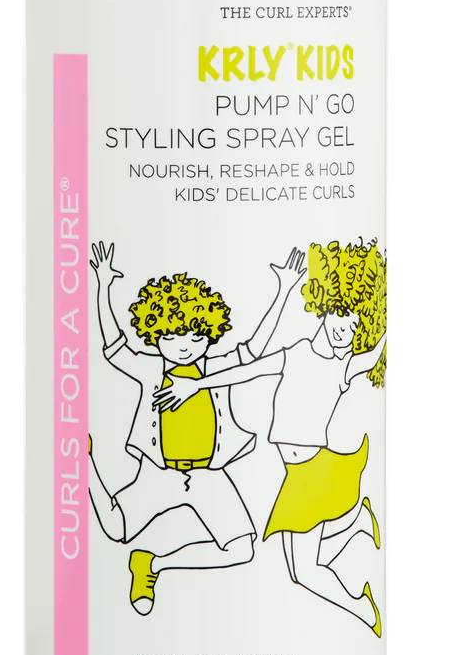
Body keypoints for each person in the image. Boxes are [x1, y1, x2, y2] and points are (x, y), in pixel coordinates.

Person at [154, 238, 386, 635]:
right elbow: (246, 370)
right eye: (340, 317)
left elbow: (372, 354)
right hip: (299, 473)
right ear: (324, 308)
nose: (343, 331)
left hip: (315, 472)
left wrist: (382, 328)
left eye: (354, 327)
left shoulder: (344, 368)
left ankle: (366, 609)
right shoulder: (294, 352)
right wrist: (198, 385)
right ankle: (357, 523)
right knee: (302, 568)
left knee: (303, 571)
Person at [87, 241, 306, 614]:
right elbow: (115, 348)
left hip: (208, 476)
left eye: (195, 336)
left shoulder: (216, 368)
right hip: (159, 474)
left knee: (241, 550)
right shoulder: (151, 369)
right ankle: (83, 462)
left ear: (209, 334)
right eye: (172, 337)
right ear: (156, 336)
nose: (184, 346)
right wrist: (103, 286)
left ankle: (152, 564)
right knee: (115, 528)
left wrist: (284, 290)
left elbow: (254, 349)